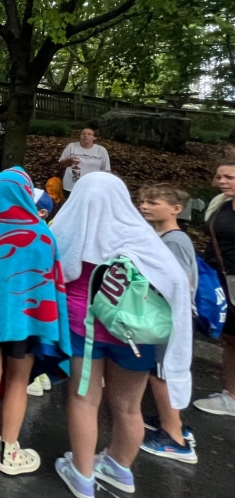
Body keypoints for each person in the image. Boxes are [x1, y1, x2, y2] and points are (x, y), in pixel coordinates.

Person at [52, 172, 192, 498]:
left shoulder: (67, 230)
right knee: (129, 407)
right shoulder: (141, 237)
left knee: (84, 400)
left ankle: (82, 475)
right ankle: (119, 467)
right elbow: (176, 282)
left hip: (82, 328)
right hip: (135, 333)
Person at [0, 167, 71, 475]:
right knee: (18, 382)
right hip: (27, 320)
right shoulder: (42, 234)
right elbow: (52, 282)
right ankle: (10, 450)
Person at [137, 184, 198, 462]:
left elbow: (178, 282)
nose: (145, 206)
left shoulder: (174, 241)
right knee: (158, 371)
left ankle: (174, 437)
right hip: (164, 317)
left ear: (176, 209)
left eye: (153, 202)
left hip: (169, 319)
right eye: (143, 201)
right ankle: (168, 420)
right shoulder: (162, 236)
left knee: (162, 375)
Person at [195, 159, 235, 418]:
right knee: (229, 339)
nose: (222, 182)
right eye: (219, 176)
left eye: (229, 177)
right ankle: (230, 393)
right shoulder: (220, 203)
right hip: (222, 279)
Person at [59, 127, 110, 193]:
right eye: (83, 134)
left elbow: (106, 170)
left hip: (92, 186)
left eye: (89, 134)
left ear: (94, 138)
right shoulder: (71, 146)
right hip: (71, 186)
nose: (85, 135)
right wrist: (69, 160)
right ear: (80, 136)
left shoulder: (101, 150)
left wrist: (106, 186)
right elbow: (61, 162)